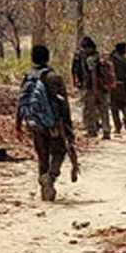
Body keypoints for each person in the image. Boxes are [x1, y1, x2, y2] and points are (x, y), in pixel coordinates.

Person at [16, 45, 77, 201]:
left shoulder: (28, 77)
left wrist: (18, 124)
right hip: (54, 124)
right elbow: (64, 105)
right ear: (48, 58)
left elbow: (21, 102)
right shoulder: (54, 77)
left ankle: (45, 189)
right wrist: (69, 129)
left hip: (34, 123)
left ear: (32, 58)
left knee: (42, 156)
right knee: (59, 152)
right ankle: (50, 177)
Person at [79, 37, 113, 140]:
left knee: (89, 110)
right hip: (103, 87)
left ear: (88, 48)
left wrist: (94, 88)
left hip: (91, 88)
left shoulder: (90, 59)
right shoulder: (100, 58)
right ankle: (106, 131)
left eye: (84, 48)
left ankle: (91, 131)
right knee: (104, 110)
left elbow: (93, 73)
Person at [109, 42, 126, 132]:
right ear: (122, 50)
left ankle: (117, 126)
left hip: (112, 85)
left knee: (114, 106)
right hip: (123, 84)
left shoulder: (110, 59)